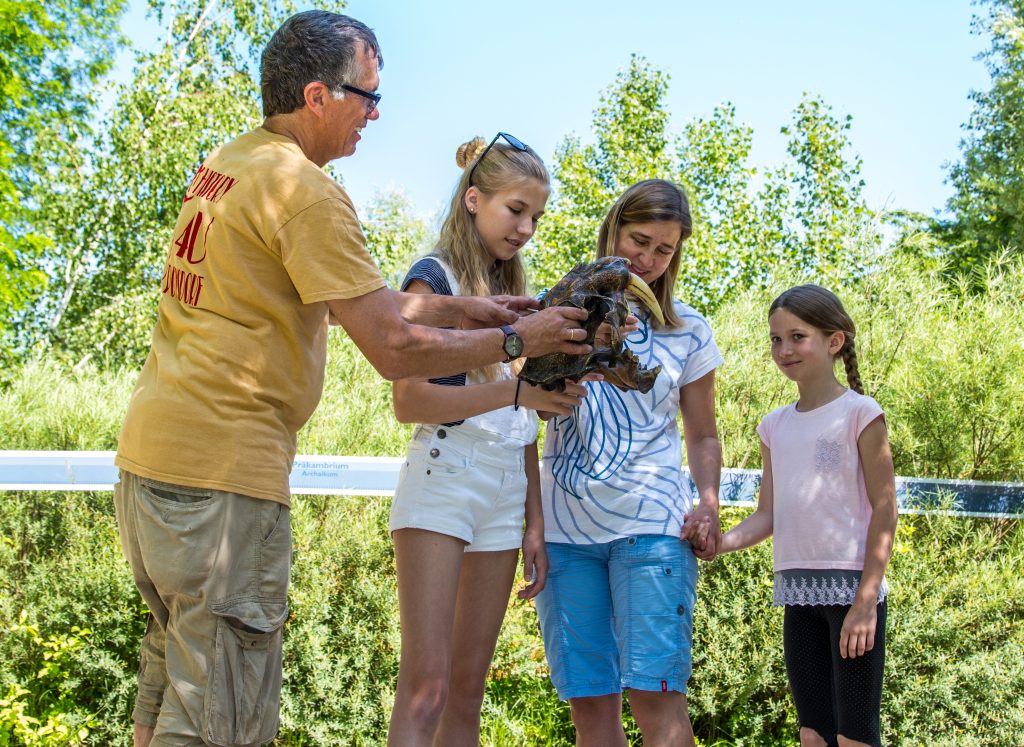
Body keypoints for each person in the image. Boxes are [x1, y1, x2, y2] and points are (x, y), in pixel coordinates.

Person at [112, 12, 590, 747]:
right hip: (224, 483)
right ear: (316, 95)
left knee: (168, 697)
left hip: (154, 469)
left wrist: (473, 307)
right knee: (220, 723)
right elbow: (393, 348)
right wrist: (516, 339)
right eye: (367, 96)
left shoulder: (232, 164)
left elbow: (355, 305)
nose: (376, 114)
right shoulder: (306, 192)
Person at [384, 133, 594, 746]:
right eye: (516, 210)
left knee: (468, 693)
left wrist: (533, 518)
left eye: (536, 215)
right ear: (473, 199)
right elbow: (411, 401)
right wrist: (518, 392)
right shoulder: (434, 279)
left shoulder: (514, 290)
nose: (527, 227)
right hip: (444, 479)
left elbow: (520, 420)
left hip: (505, 489)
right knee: (426, 689)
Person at [534, 179, 724, 746]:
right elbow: (529, 413)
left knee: (657, 703)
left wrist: (709, 504)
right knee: (591, 708)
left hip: (653, 531)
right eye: (639, 240)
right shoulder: (556, 313)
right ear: (613, 230)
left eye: (664, 250)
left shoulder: (690, 330)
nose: (648, 259)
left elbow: (704, 434)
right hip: (567, 535)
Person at [705, 284, 898, 747]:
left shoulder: (861, 413)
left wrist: (865, 602)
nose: (784, 349)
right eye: (775, 339)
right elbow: (768, 514)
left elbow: (886, 509)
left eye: (797, 336)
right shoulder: (774, 426)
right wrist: (718, 542)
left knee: (855, 737)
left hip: (853, 593)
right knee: (813, 734)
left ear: (834, 341)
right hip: (798, 594)